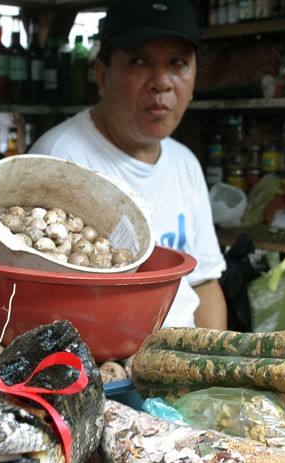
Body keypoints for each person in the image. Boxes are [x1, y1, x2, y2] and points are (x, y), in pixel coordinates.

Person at [29, 0, 228, 329]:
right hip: (103, 374)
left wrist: (215, 371)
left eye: (177, 63)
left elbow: (204, 283)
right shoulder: (59, 160)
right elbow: (41, 306)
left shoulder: (185, 164)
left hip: (182, 370)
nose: (161, 81)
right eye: (138, 62)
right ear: (103, 75)